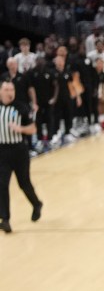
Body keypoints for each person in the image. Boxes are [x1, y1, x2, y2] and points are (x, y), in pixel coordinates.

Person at [0, 79, 43, 233]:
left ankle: (36, 204)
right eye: (6, 90)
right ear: (0, 91)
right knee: (2, 184)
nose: (9, 93)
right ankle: (5, 219)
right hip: (2, 151)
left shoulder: (21, 108)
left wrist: (19, 128)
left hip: (19, 151)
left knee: (23, 183)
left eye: (11, 90)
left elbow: (33, 129)